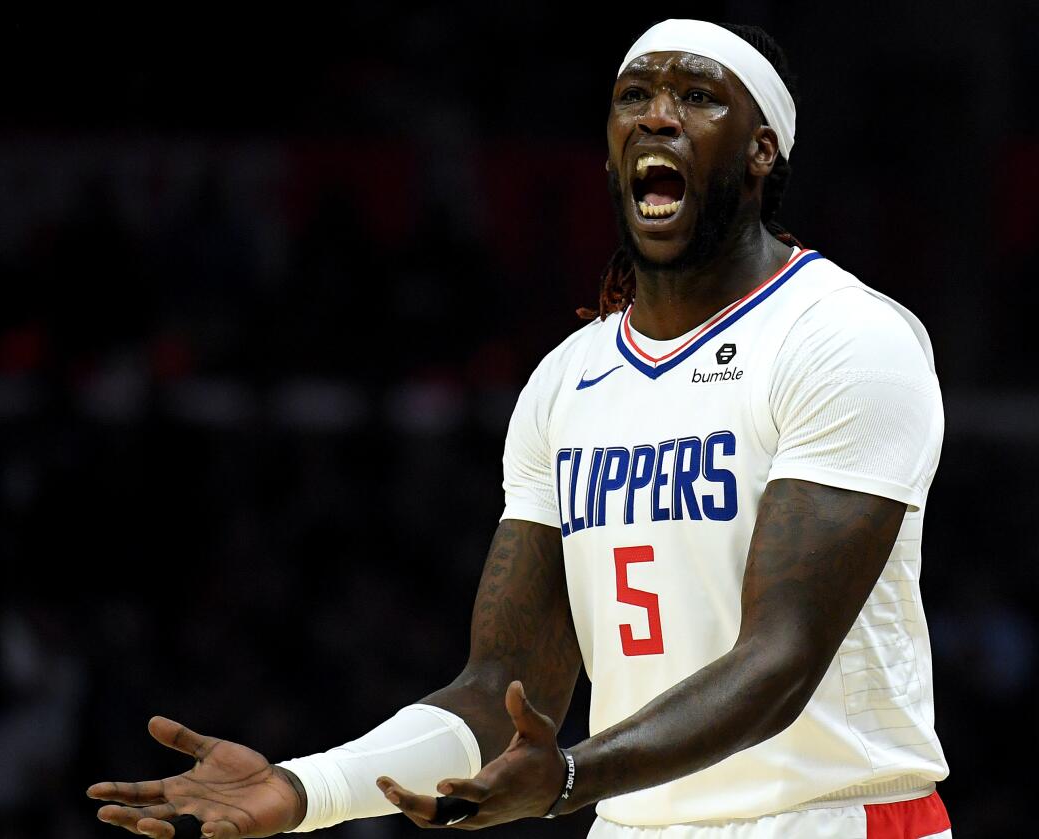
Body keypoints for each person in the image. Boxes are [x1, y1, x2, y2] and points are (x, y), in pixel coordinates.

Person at [87, 19, 952, 839]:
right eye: (633, 94)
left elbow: (780, 661)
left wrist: (572, 773)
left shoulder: (844, 336)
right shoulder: (568, 379)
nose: (657, 113)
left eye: (698, 97)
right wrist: (307, 785)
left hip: (829, 817)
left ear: (763, 150)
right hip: (633, 821)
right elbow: (499, 687)